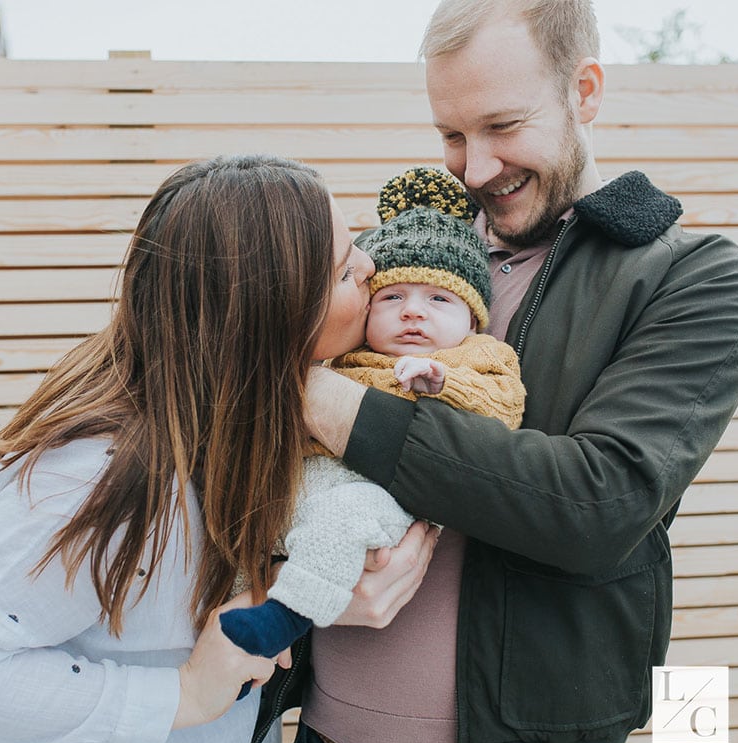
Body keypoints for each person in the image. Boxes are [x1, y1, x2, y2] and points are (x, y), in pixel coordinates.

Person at [268, 2, 738, 743]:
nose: (474, 167)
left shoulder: (690, 278)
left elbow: (596, 501)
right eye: (452, 136)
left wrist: (311, 394)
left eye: (503, 125)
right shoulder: (394, 267)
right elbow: (271, 463)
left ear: (586, 90)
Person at [0, 154, 437, 743]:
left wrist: (305, 595)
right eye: (346, 269)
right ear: (274, 313)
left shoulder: (243, 430)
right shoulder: (98, 471)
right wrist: (179, 694)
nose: (372, 269)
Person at [219, 166, 525, 661]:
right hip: (305, 479)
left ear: (472, 318)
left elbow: (504, 408)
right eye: (393, 296)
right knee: (246, 524)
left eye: (439, 299)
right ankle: (234, 642)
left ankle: (285, 618)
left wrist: (443, 381)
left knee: (343, 521)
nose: (412, 312)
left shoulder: (475, 357)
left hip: (381, 493)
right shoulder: (342, 355)